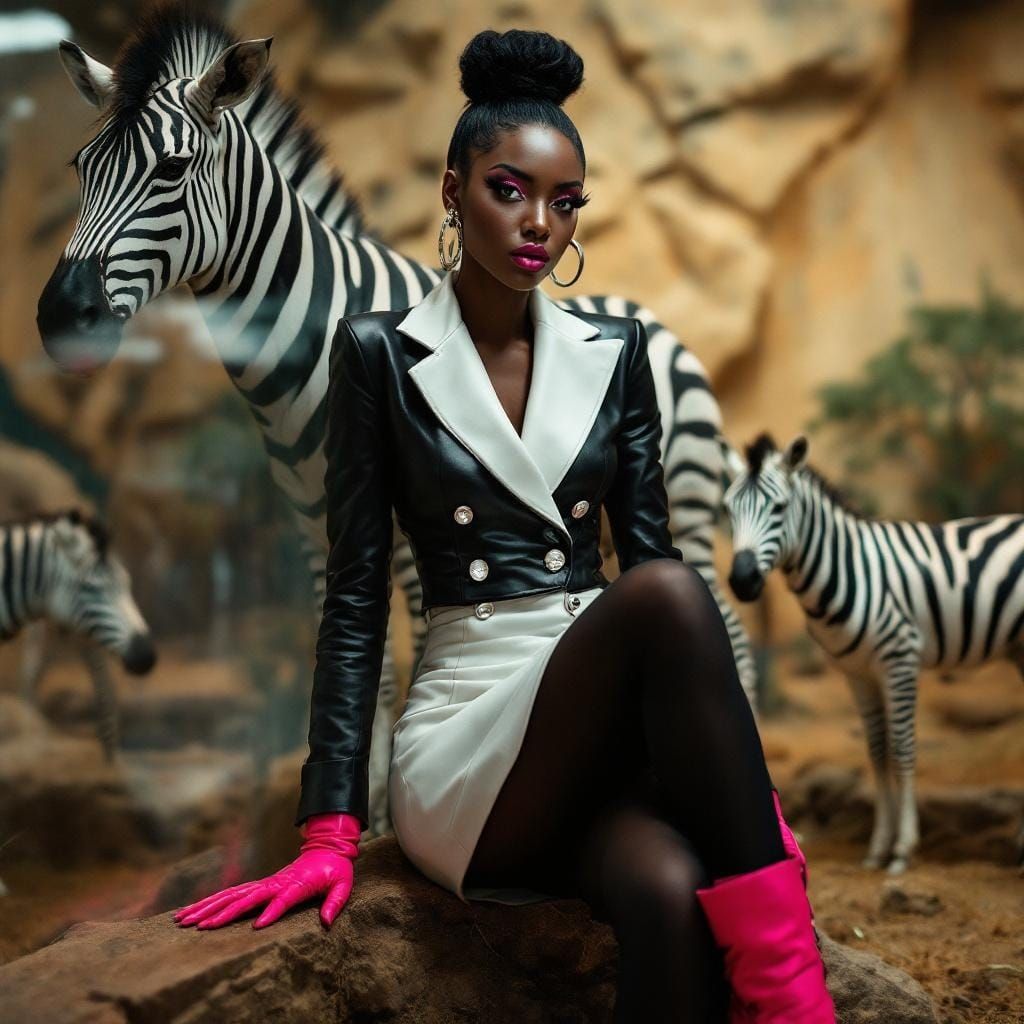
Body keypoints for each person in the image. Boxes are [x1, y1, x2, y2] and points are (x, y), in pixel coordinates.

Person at [175, 27, 836, 1024]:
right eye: (508, 190)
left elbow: (653, 564)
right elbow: (356, 596)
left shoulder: (614, 355)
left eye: (565, 202)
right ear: (452, 189)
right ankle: (798, 1006)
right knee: (661, 593)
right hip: (469, 743)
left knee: (662, 890)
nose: (539, 223)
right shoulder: (380, 355)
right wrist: (327, 827)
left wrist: (740, 796)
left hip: (597, 721)